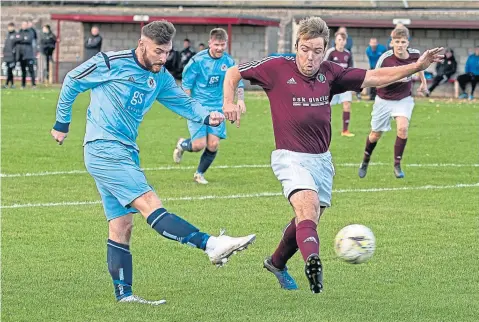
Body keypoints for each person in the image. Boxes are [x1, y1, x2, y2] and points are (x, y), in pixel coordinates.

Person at [222, 16, 443, 293]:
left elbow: (374, 77)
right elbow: (233, 73)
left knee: (309, 217)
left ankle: (276, 262)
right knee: (307, 207)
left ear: (325, 49)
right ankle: (313, 261)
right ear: (297, 46)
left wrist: (417, 66)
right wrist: (229, 102)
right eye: (305, 49)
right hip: (289, 156)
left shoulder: (332, 72)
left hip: (322, 160)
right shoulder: (276, 67)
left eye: (317, 50)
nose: (311, 57)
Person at [50, 20, 255, 305]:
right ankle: (212, 244)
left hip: (126, 151)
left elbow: (183, 103)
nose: (163, 58)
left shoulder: (159, 77)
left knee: (122, 226)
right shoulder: (111, 63)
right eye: (158, 51)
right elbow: (72, 80)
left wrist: (208, 116)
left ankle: (125, 297)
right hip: (103, 149)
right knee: (150, 203)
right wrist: (62, 123)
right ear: (142, 44)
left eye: (167, 52)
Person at [173, 28, 246, 184]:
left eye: (222, 44)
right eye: (216, 44)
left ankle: (199, 173)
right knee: (199, 145)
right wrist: (186, 106)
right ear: (209, 43)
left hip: (218, 108)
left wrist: (240, 100)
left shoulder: (228, 62)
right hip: (198, 108)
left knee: (213, 144)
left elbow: (238, 80)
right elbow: (186, 84)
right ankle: (181, 145)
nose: (219, 48)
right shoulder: (197, 61)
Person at [358, 26, 429, 179]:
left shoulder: (415, 54)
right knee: (375, 134)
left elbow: (420, 65)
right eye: (397, 41)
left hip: (403, 99)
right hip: (383, 100)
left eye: (403, 42)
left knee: (403, 129)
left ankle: (397, 165)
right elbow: (375, 82)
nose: (400, 45)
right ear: (391, 43)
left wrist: (423, 83)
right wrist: (396, 77)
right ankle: (365, 160)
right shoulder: (385, 59)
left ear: (407, 43)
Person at [324, 31, 355, 137]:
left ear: (346, 42)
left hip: (344, 85)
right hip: (332, 85)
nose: (341, 42)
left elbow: (351, 70)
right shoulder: (331, 53)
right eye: (339, 40)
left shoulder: (348, 54)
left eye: (343, 40)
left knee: (347, 105)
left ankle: (345, 131)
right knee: (326, 107)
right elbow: (324, 67)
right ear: (335, 41)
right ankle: (324, 129)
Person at [17, 21, 36, 88]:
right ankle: (23, 84)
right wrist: (23, 38)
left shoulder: (30, 32)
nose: (24, 26)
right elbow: (17, 39)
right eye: (23, 24)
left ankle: (33, 84)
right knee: (23, 71)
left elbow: (29, 40)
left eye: (25, 24)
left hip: (29, 55)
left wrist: (21, 39)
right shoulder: (19, 32)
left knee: (31, 70)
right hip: (21, 55)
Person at [2, 22, 18, 88]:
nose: (9, 28)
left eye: (10, 27)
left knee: (10, 70)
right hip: (7, 56)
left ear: (13, 27)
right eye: (8, 27)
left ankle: (7, 84)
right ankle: (11, 84)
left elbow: (17, 47)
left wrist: (15, 56)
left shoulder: (16, 35)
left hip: (12, 56)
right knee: (9, 70)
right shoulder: (8, 35)